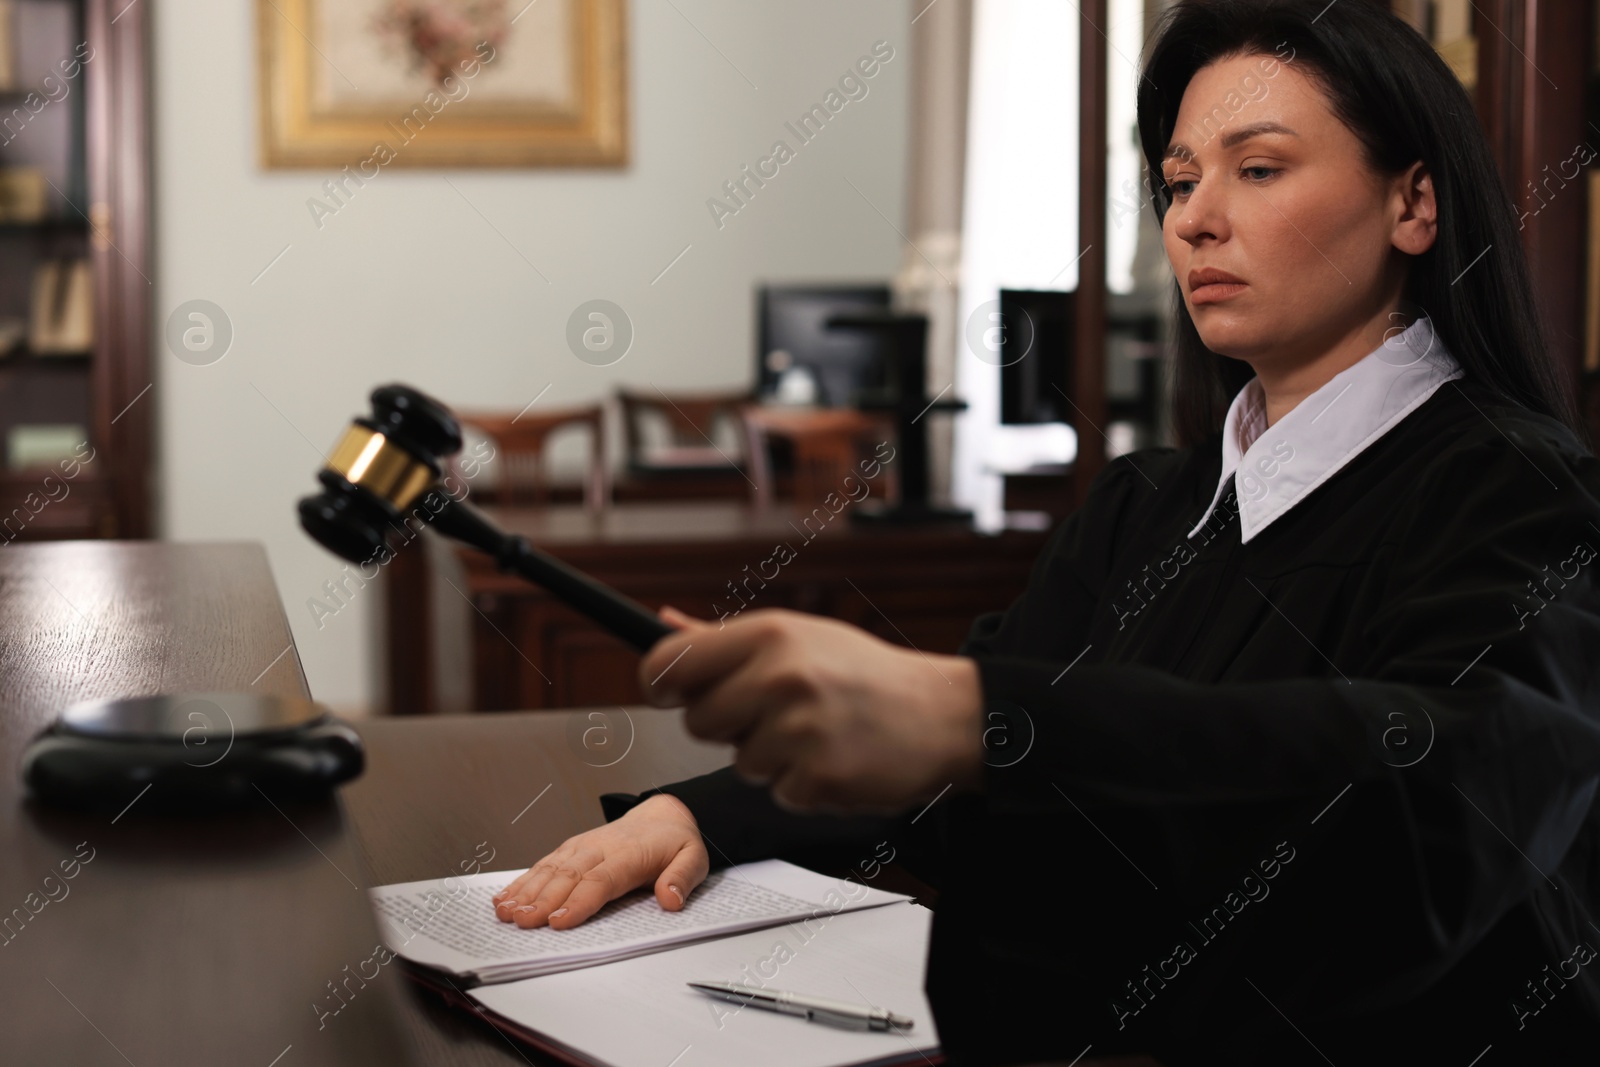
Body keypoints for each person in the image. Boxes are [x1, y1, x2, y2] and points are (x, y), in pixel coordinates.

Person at [491, 1, 1600, 1062]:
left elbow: (1437, 808)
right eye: (1176, 181)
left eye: (1257, 169)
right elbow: (970, 751)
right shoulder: (1146, 508)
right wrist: (707, 812)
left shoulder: (1527, 496)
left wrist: (969, 717)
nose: (1194, 217)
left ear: (1413, 203)